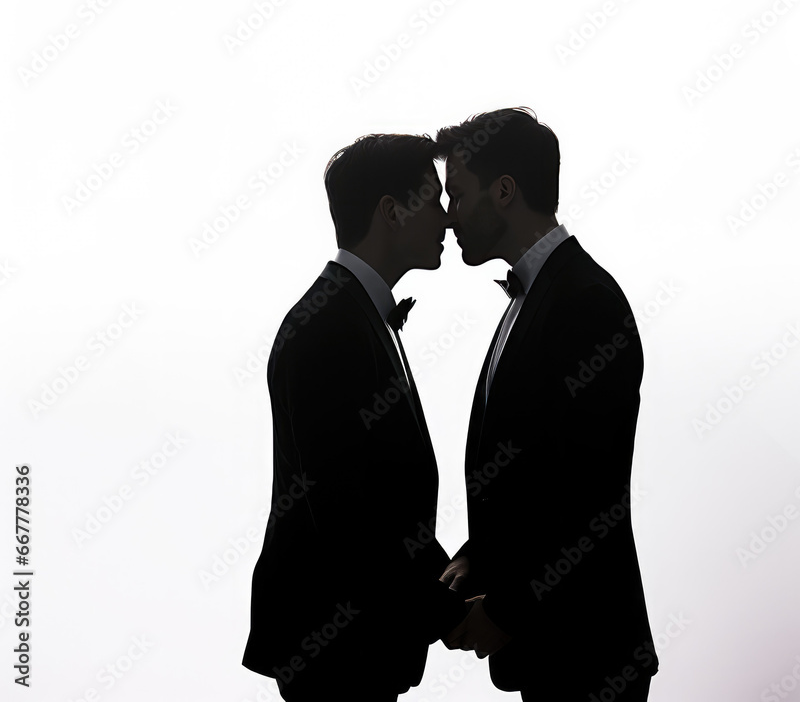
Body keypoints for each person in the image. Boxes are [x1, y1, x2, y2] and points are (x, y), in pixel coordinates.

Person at [436, 107, 658, 701]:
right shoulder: (535, 296)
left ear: (504, 191)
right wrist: (475, 556)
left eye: (457, 195)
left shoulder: (585, 301)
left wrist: (506, 609)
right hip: (554, 651)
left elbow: (587, 491)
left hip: (586, 652)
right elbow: (529, 473)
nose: (447, 215)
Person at [242, 133, 469, 701]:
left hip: (356, 643)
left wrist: (450, 585)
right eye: (434, 200)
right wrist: (450, 613)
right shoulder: (329, 327)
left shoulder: (350, 313)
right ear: (392, 212)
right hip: (337, 648)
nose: (446, 219)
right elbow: (348, 513)